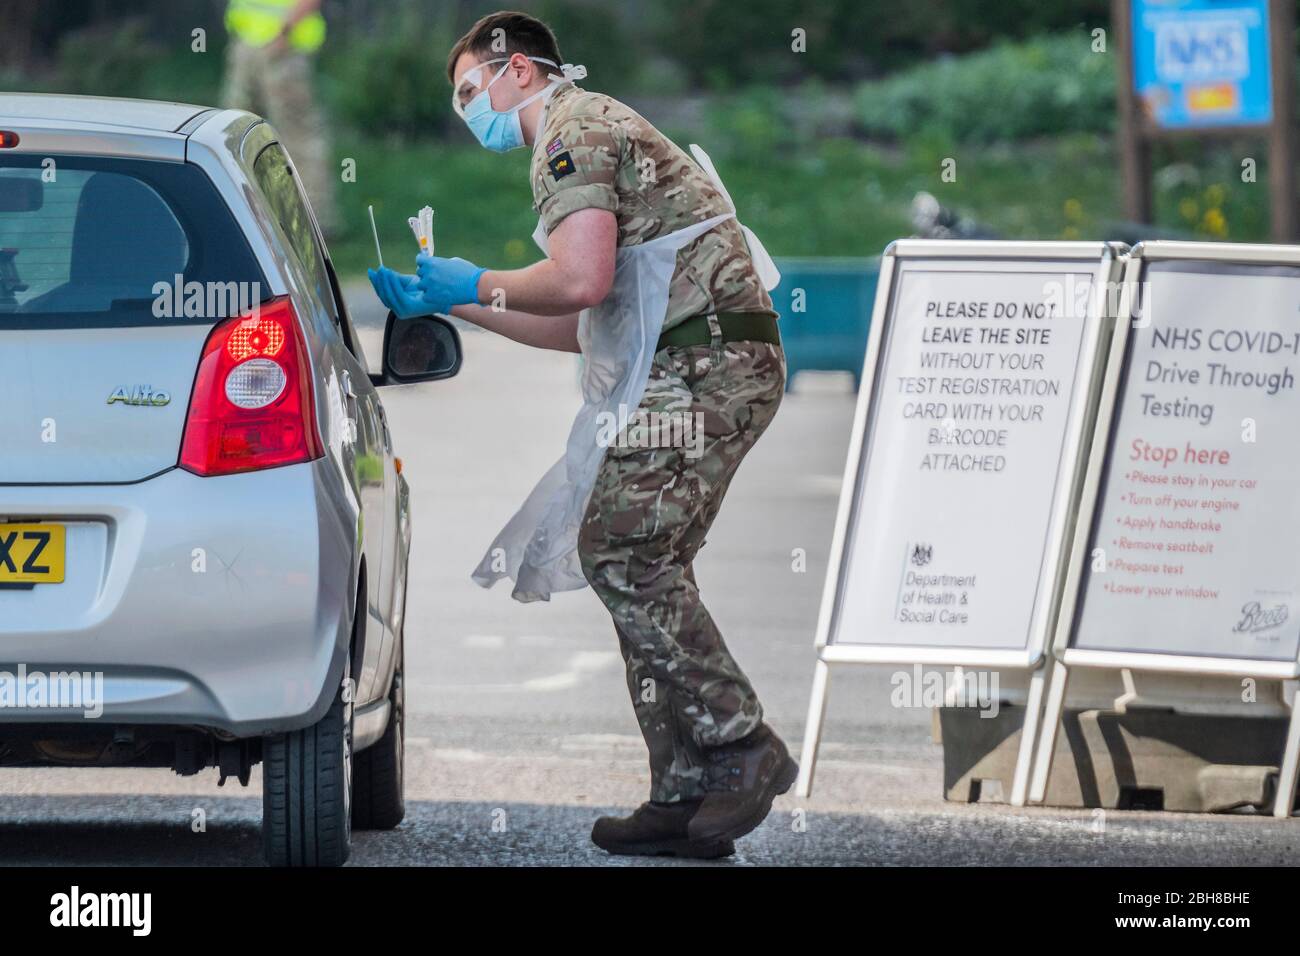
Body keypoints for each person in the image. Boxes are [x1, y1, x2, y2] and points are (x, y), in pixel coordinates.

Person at [369, 10, 796, 859]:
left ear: (518, 69)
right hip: (698, 360)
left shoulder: (574, 130)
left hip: (704, 367)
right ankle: (682, 792)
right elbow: (583, 323)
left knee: (621, 552)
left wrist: (479, 278)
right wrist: (456, 302)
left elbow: (577, 278)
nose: (467, 111)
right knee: (639, 559)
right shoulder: (586, 132)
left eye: (469, 90)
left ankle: (743, 745)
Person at [221, 0, 337, 234]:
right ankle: (235, 208)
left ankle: (315, 223)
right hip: (247, 41)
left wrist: (285, 32)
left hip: (283, 44)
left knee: (299, 136)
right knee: (231, 131)